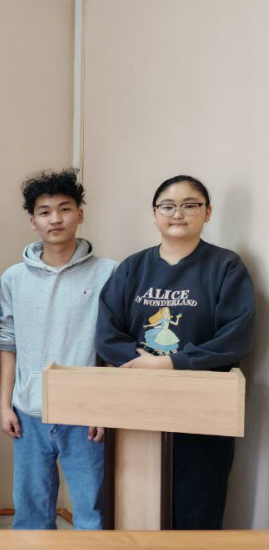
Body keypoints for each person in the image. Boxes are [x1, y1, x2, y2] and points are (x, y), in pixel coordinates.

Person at [96, 175, 255, 530]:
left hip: (202, 408)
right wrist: (143, 363)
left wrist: (172, 362)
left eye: (190, 205)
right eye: (168, 206)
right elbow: (107, 333)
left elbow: (235, 338)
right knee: (133, 506)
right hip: (138, 404)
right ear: (154, 214)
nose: (178, 214)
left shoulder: (226, 267)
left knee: (197, 506)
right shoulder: (132, 268)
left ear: (207, 212)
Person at [0, 170, 116, 531]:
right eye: (45, 212)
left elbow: (114, 347)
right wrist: (5, 405)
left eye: (64, 209)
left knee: (92, 513)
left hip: (85, 413)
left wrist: (104, 408)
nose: (55, 219)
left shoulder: (109, 273)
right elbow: (8, 343)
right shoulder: (14, 277)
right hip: (29, 411)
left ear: (80, 214)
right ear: (32, 221)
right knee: (31, 515)